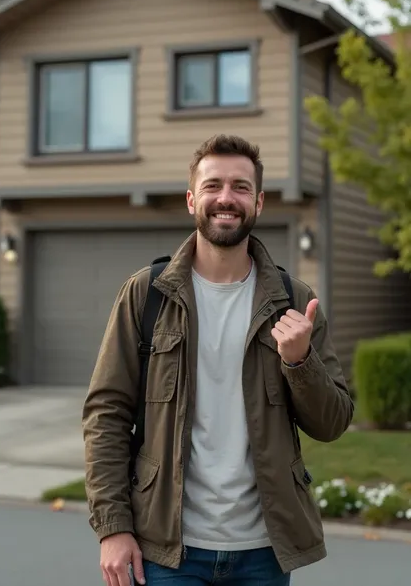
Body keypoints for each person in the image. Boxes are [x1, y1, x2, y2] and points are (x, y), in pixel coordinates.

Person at [82, 134, 354, 586]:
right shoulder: (146, 294)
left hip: (264, 552)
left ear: (259, 201)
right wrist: (113, 528)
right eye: (212, 186)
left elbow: (333, 423)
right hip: (167, 551)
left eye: (240, 187)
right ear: (192, 199)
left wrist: (299, 362)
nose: (225, 198)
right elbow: (105, 415)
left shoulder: (294, 301)